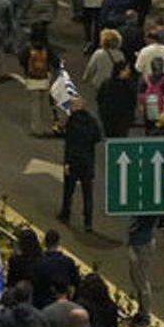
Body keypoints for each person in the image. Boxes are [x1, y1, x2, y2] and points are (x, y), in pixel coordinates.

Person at [57, 96, 101, 231]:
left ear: (75, 107)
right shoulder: (92, 121)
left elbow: (69, 144)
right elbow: (97, 137)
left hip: (74, 161)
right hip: (87, 161)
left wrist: (67, 163)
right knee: (87, 193)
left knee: (69, 190)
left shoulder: (72, 122)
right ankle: (88, 222)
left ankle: (65, 214)